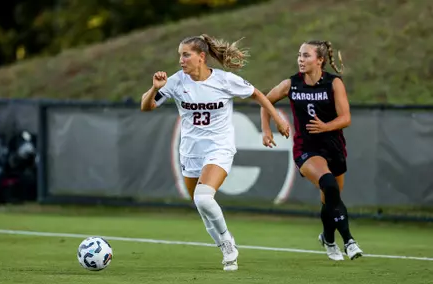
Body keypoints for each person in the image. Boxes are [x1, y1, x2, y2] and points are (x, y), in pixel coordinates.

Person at [141, 34, 290, 271]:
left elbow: (257, 94)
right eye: (180, 55)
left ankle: (227, 242)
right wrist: (154, 88)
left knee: (203, 197)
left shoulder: (224, 80)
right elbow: (146, 106)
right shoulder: (176, 81)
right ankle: (223, 244)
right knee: (201, 206)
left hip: (219, 148)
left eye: (186, 54)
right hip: (190, 153)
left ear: (201, 57)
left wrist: (277, 119)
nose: (181, 60)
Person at [260, 40, 363, 261]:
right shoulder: (292, 83)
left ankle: (327, 237)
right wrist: (267, 129)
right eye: (299, 55)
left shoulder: (334, 83)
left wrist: (326, 126)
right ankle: (349, 241)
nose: (300, 59)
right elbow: (265, 101)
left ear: (320, 60)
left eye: (306, 55)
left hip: (333, 147)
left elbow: (346, 118)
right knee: (328, 184)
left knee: (331, 197)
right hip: (306, 148)